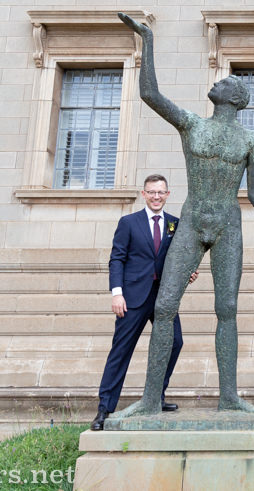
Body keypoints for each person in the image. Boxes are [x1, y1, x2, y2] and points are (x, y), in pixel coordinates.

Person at [113, 12, 254, 417]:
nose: (215, 81)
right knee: (164, 308)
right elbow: (151, 95)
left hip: (228, 225)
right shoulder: (192, 125)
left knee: (226, 310)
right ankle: (149, 400)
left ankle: (229, 396)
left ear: (235, 97)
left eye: (223, 81)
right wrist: (147, 41)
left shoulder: (251, 140)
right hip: (193, 220)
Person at [91, 174, 198, 431]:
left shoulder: (176, 224)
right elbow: (117, 258)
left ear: (168, 195)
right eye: (152, 192)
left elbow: (181, 256)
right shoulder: (128, 223)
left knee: (175, 342)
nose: (156, 196)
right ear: (144, 194)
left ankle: (155, 397)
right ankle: (105, 408)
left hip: (164, 297)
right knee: (121, 350)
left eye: (161, 192)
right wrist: (116, 293)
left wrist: (188, 272)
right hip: (132, 297)